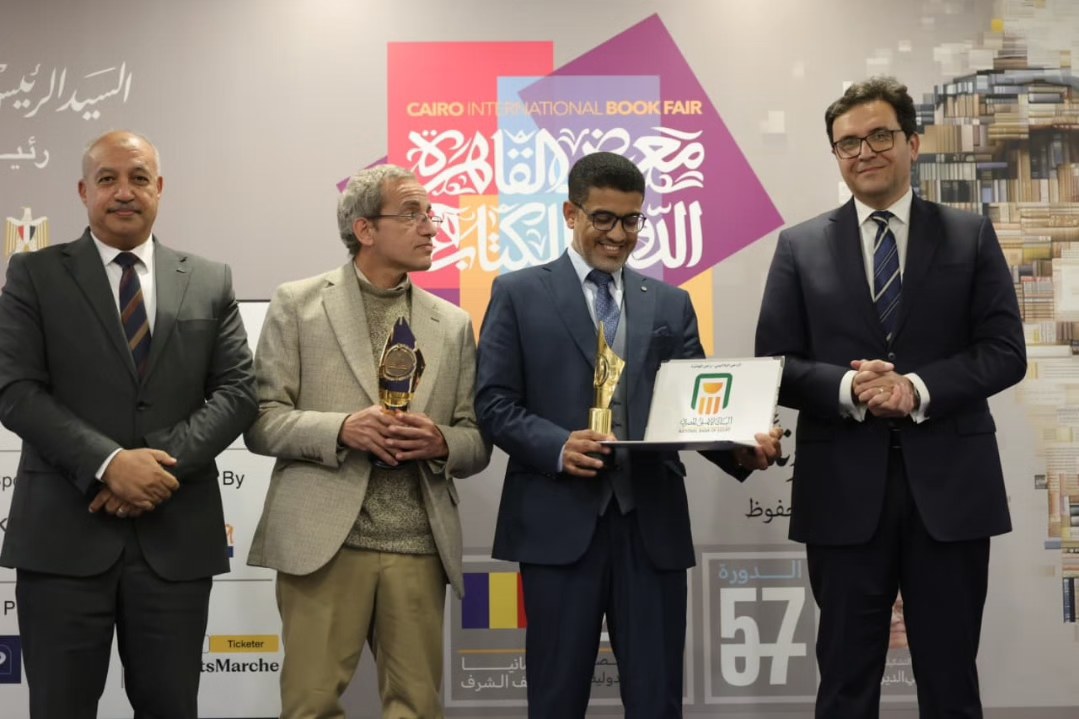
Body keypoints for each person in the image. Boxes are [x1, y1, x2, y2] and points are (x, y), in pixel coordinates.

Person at [754, 76, 1026, 717]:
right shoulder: (799, 246)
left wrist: (916, 389)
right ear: (836, 154)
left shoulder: (968, 235)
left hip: (951, 491)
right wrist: (849, 387)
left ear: (912, 143)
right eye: (847, 143)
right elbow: (774, 365)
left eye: (880, 136)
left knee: (950, 679)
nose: (864, 152)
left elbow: (1004, 351)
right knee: (845, 681)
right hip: (842, 492)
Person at [475, 151, 782, 718]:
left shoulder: (670, 303)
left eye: (632, 220)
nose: (619, 235)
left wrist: (743, 447)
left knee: (657, 700)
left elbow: (697, 409)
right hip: (557, 526)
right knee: (555, 699)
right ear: (571, 213)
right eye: (603, 218)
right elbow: (493, 404)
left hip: (651, 527)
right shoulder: (517, 293)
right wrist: (556, 446)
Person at [0, 130, 258, 719]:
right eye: (108, 179)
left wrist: (154, 467)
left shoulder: (209, 279)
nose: (124, 192)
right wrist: (110, 464)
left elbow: (239, 393)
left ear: (159, 188)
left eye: (139, 178)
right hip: (63, 543)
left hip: (174, 542)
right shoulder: (34, 274)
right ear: (83, 191)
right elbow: (15, 391)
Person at [245, 164, 491, 718]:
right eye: (412, 214)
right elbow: (261, 421)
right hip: (325, 543)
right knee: (310, 706)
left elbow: (477, 440)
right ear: (365, 229)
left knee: (416, 708)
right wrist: (341, 428)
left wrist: (441, 442)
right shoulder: (298, 303)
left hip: (419, 544)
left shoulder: (452, 323)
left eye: (431, 214)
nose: (430, 226)